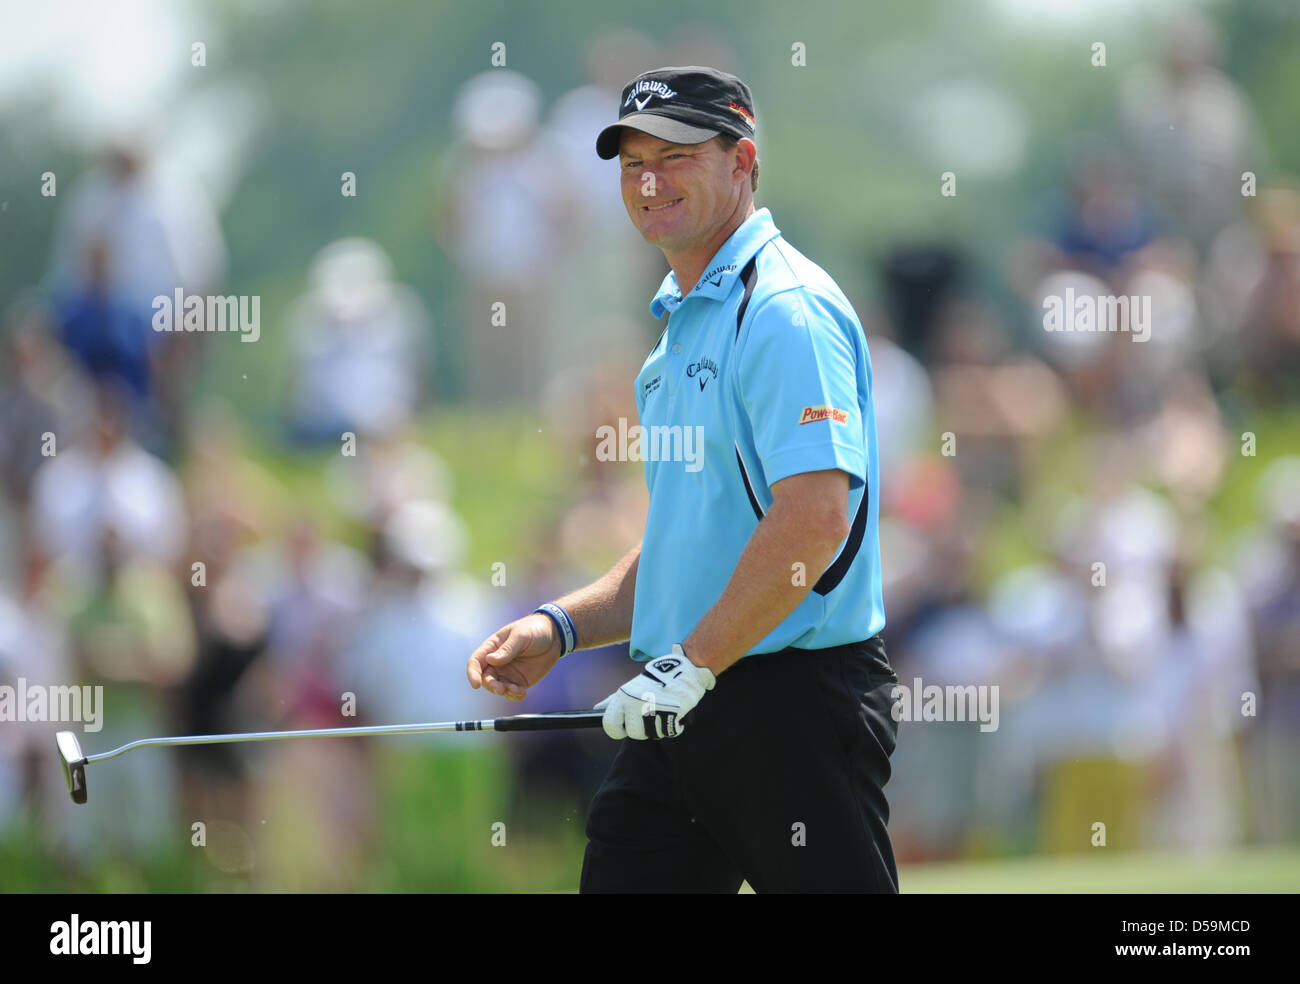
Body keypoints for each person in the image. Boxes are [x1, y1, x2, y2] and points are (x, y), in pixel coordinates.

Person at [467, 67, 899, 893]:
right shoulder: (675, 333)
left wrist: (692, 663)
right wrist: (558, 629)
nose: (649, 181)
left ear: (741, 161)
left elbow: (814, 518)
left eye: (675, 156)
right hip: (682, 698)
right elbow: (682, 549)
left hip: (793, 707)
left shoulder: (780, 309)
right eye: (632, 164)